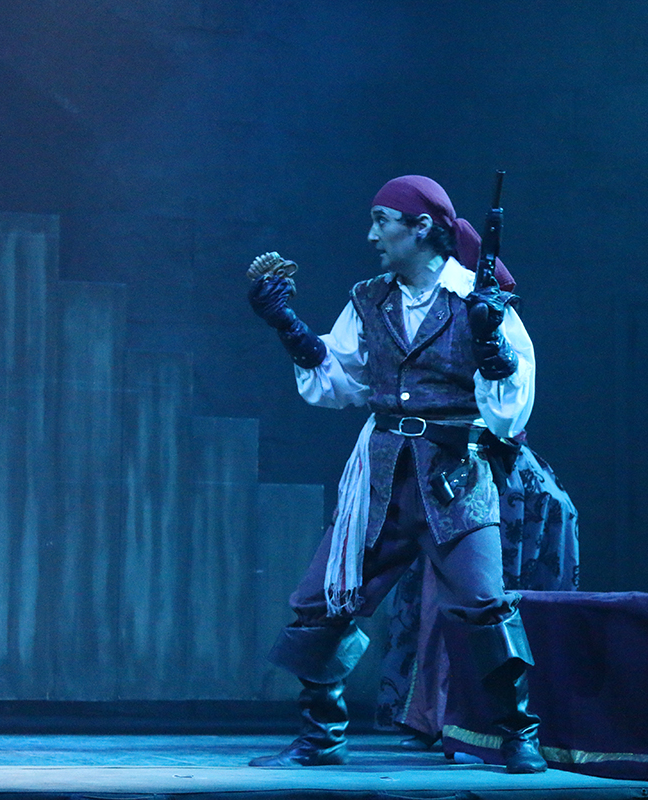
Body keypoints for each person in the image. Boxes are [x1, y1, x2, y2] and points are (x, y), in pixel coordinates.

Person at [246, 175, 546, 773]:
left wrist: (493, 347)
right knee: (320, 600)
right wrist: (289, 328)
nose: (372, 235)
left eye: (382, 221)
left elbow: (511, 410)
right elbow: (340, 382)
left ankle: (518, 733)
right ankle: (320, 737)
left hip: (454, 478)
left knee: (484, 604)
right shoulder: (370, 299)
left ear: (422, 227)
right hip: (381, 477)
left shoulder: (479, 300)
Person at [377, 436, 579, 751]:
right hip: (445, 465)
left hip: (498, 470)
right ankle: (433, 717)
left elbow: (508, 422)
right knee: (440, 597)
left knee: (492, 600)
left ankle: (515, 729)